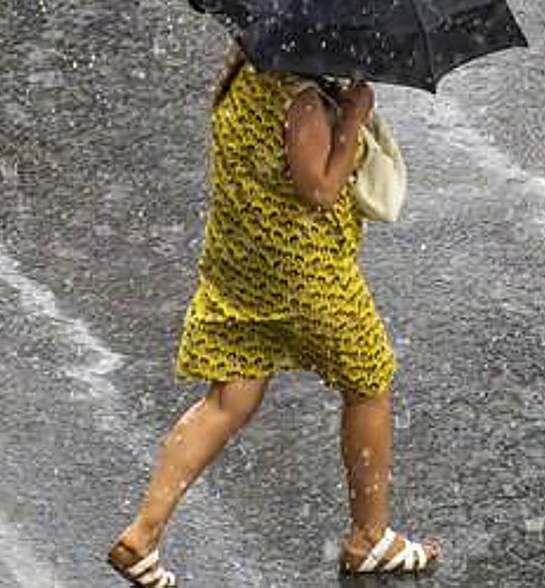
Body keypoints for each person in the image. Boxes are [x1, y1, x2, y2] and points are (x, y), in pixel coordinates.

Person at [108, 43, 440, 585]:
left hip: (240, 265)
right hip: (304, 273)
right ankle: (369, 538)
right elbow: (320, 189)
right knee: (369, 382)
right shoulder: (301, 98)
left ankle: (142, 534)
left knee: (228, 399)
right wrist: (353, 118)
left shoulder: (241, 73)